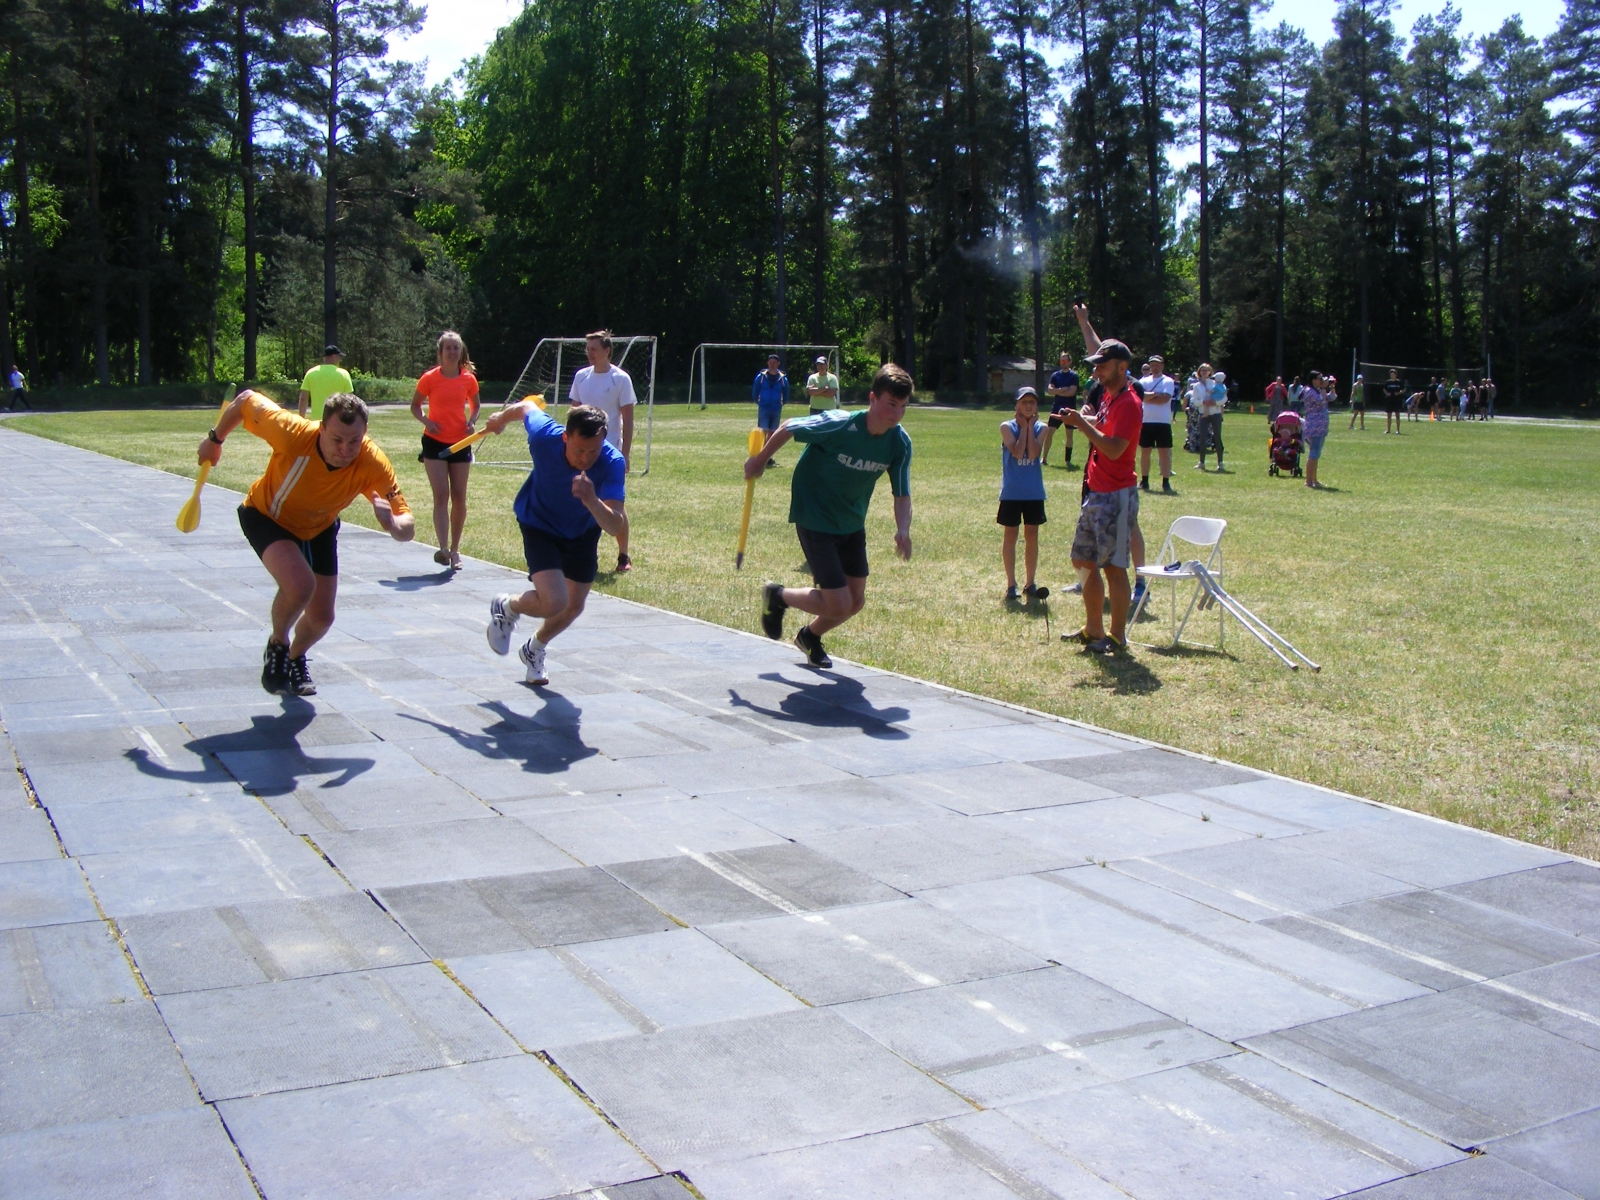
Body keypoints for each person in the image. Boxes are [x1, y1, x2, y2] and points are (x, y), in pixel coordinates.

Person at [197, 390, 414, 696]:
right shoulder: (293, 433)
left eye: (354, 441)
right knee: (300, 586)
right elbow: (245, 400)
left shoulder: (371, 461)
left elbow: (408, 527)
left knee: (323, 618)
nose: (345, 449)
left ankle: (295, 657)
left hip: (319, 526)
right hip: (267, 516)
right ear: (322, 428)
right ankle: (278, 644)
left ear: (364, 434)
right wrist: (214, 440)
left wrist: (391, 524)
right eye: (337, 439)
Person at [750, 364, 913, 669]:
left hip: (851, 520)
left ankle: (809, 636)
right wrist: (759, 461)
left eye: (903, 407)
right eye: (891, 404)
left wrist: (903, 529)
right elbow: (788, 427)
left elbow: (902, 493)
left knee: (855, 601)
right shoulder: (840, 424)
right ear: (873, 398)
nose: (896, 414)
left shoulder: (899, 443)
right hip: (815, 513)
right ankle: (779, 596)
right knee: (838, 602)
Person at [483, 403, 627, 685]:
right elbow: (525, 408)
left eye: (593, 451)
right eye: (579, 450)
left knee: (573, 606)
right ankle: (509, 606)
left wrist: (591, 500)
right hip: (540, 524)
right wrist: (500, 418)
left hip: (581, 532)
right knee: (554, 602)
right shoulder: (544, 436)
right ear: (565, 437)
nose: (586, 458)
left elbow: (614, 525)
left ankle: (534, 649)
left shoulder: (612, 462)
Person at [1059, 339, 1141, 654]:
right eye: (1095, 365)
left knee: (1113, 565)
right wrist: (1080, 419)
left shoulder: (1129, 403)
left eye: (1102, 365)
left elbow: (1114, 447)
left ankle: (1117, 636)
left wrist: (1081, 424)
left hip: (1117, 495)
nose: (1096, 371)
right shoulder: (1109, 397)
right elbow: (1104, 427)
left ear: (1123, 366)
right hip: (1096, 491)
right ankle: (1093, 628)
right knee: (1082, 559)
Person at [567, 330, 636, 573]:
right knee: (581, 500)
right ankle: (583, 553)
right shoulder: (581, 377)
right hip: (583, 453)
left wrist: (625, 453)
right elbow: (573, 416)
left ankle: (623, 555)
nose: (589, 353)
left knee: (614, 503)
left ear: (607, 350)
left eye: (594, 349)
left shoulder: (621, 379)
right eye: (587, 349)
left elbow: (628, 419)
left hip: (610, 453)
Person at [411, 330, 480, 572]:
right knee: (441, 495)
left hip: (460, 442)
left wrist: (472, 421)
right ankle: (443, 549)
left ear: (461, 352)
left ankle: (456, 549)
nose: (452, 352)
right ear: (440, 353)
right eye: (448, 348)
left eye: (456, 348)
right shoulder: (429, 378)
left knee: (459, 496)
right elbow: (415, 406)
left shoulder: (468, 379)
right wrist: (427, 422)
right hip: (434, 442)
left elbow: (476, 405)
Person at [998, 387, 1048, 602]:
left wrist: (1028, 427)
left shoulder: (1042, 427)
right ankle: (1011, 584)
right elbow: (1018, 453)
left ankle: (1030, 582)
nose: (1028, 405)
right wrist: (1024, 427)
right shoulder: (1006, 427)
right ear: (1016, 405)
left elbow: (1034, 453)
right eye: (1024, 401)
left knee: (1032, 537)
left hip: (1033, 492)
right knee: (1010, 537)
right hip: (1012, 492)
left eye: (1032, 402)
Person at [1138, 355, 1177, 494]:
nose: (1154, 367)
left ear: (1162, 366)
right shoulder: (1143, 381)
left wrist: (1148, 397)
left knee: (1164, 452)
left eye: (1157, 364)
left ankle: (1166, 482)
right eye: (1152, 365)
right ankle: (1144, 481)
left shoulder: (1168, 381)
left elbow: (1165, 399)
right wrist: (1156, 394)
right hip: (1146, 421)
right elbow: (1139, 396)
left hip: (1163, 421)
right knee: (1145, 451)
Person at [1041, 352, 1080, 468]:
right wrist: (1063, 389)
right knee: (1049, 433)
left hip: (1069, 409)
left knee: (1069, 435)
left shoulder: (1074, 376)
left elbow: (1071, 392)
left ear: (1070, 362)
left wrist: (1057, 391)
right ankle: (1044, 459)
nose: (1063, 363)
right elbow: (1050, 391)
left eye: (1065, 361)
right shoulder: (1055, 375)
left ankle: (1068, 461)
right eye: (1061, 361)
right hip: (1056, 408)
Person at [298, 345, 353, 421]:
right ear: (334, 357)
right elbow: (350, 400)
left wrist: (301, 419)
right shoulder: (344, 374)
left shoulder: (311, 373)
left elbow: (303, 399)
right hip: (338, 421)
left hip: (317, 422)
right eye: (339, 357)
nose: (340, 360)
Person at [752, 354, 789, 466]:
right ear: (768, 363)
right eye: (770, 362)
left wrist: (780, 403)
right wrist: (760, 402)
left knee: (773, 434)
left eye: (774, 362)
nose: (772, 364)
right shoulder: (761, 377)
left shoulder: (783, 379)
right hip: (764, 408)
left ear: (778, 364)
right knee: (762, 432)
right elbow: (755, 392)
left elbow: (786, 394)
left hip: (776, 408)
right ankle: (759, 456)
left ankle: (768, 457)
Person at [1189, 363, 1226, 471]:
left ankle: (1220, 462)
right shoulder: (1196, 386)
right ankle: (1202, 462)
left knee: (1217, 437)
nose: (1204, 372)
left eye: (1207, 370)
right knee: (1203, 437)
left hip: (1216, 413)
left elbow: (1224, 398)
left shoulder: (1215, 384)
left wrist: (1215, 403)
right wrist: (1203, 401)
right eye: (1202, 370)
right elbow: (1195, 401)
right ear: (1199, 372)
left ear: (1210, 372)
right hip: (1203, 414)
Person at [1302, 369, 1330, 489]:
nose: (1322, 380)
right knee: (1313, 453)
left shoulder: (1317, 390)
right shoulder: (1309, 391)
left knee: (1316, 454)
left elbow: (1330, 398)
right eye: (1320, 378)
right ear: (1313, 380)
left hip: (1320, 426)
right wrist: (1324, 388)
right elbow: (1321, 401)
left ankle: (1314, 480)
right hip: (1314, 427)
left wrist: (1331, 387)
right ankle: (1308, 481)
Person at [1382, 368, 1405, 433]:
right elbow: (1384, 389)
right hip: (1389, 400)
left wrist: (1398, 393)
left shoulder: (1399, 382)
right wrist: (1387, 393)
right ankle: (1388, 430)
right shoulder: (1388, 382)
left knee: (1397, 415)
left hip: (1397, 400)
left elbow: (1403, 389)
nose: (1392, 376)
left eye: (1393, 374)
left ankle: (1397, 430)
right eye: (1391, 374)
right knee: (1389, 415)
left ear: (1396, 375)